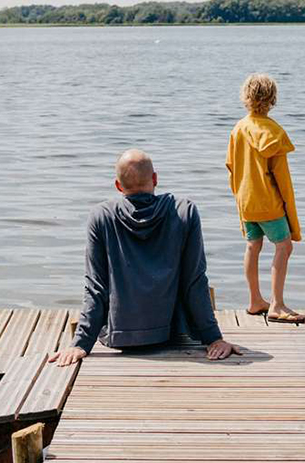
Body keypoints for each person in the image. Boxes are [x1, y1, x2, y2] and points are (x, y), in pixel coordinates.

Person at [50, 149, 240, 366]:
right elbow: (194, 281)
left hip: (119, 337)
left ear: (118, 185)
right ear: (155, 179)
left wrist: (80, 344)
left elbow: (96, 287)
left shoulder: (101, 216)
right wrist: (213, 338)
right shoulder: (184, 211)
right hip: (171, 333)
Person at [226, 73, 305, 324]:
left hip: (246, 200)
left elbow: (231, 166)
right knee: (284, 246)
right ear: (272, 100)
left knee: (253, 245)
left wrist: (239, 195)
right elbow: (281, 178)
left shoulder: (238, 128)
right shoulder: (273, 132)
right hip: (269, 202)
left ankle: (254, 300)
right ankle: (277, 304)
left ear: (246, 98)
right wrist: (286, 206)